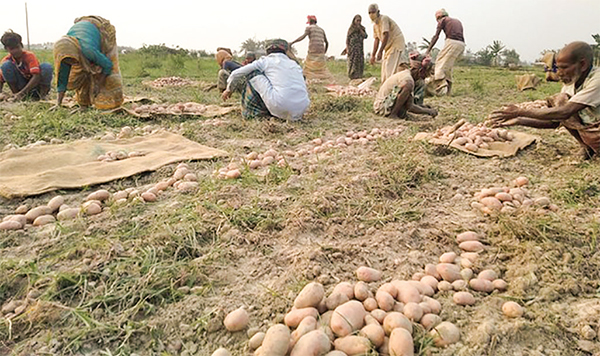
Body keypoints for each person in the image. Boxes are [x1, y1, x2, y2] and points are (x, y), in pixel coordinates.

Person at [490, 42, 599, 160]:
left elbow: (565, 112)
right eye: (557, 67)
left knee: (562, 105)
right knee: (560, 100)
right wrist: (519, 120)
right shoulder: (571, 83)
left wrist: (520, 111)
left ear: (583, 65)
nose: (558, 73)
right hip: (593, 132)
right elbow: (556, 121)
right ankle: (587, 147)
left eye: (564, 67)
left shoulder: (597, 80)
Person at [222, 39, 310, 121]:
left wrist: (229, 90)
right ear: (285, 51)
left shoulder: (265, 61)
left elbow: (236, 74)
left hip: (279, 106)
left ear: (267, 51)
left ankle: (251, 113)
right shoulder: (294, 64)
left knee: (253, 73)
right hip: (301, 109)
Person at [53, 16, 123, 110]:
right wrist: (58, 104)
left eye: (70, 59)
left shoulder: (87, 50)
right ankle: (84, 104)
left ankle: (112, 102)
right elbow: (62, 80)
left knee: (107, 74)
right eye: (67, 60)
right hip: (83, 30)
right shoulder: (64, 56)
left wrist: (99, 85)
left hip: (101, 28)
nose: (70, 62)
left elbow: (108, 65)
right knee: (82, 72)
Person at [373, 57, 438, 119]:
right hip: (382, 107)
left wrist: (423, 107)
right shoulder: (408, 81)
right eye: (427, 73)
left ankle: (394, 112)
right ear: (420, 71)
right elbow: (410, 107)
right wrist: (428, 111)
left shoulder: (407, 75)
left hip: (383, 105)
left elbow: (409, 103)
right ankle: (393, 114)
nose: (426, 76)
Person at [0, 30, 52, 101]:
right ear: (6, 49)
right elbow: (1, 79)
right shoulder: (7, 61)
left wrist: (22, 93)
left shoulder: (29, 56)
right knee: (5, 66)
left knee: (46, 67)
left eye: (17, 47)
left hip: (35, 87)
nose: (15, 51)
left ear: (21, 45)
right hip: (21, 86)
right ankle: (16, 95)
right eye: (12, 49)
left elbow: (36, 76)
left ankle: (42, 96)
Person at [425, 9, 465, 96]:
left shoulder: (443, 20)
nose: (438, 20)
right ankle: (449, 92)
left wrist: (428, 50)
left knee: (439, 63)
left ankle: (439, 86)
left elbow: (436, 36)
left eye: (437, 18)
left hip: (452, 42)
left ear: (440, 16)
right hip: (461, 45)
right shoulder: (456, 21)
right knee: (447, 68)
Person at [368, 4, 408, 83]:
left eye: (373, 12)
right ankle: (386, 86)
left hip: (395, 43)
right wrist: (373, 55)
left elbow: (386, 34)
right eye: (369, 13)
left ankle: (391, 88)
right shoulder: (375, 26)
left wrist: (380, 51)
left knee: (390, 68)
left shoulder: (384, 19)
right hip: (388, 47)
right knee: (384, 70)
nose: (371, 14)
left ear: (378, 12)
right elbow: (376, 40)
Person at [290, 15, 333, 81]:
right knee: (320, 68)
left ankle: (304, 79)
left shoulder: (309, 28)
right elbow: (327, 43)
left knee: (308, 67)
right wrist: (324, 53)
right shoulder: (321, 30)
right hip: (321, 52)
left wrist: (292, 42)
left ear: (310, 21)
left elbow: (302, 37)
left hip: (313, 50)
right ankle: (320, 79)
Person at [342, 15, 368, 80]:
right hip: (352, 48)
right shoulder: (351, 29)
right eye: (357, 20)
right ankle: (352, 76)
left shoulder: (362, 28)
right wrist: (347, 48)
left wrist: (360, 30)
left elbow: (365, 36)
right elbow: (347, 39)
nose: (358, 22)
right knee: (352, 62)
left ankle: (359, 76)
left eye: (360, 21)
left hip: (359, 49)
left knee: (359, 62)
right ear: (354, 20)